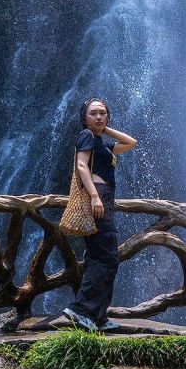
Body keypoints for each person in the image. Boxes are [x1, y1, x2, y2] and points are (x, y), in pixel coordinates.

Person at [63, 97, 137, 334]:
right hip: (99, 197)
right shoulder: (86, 136)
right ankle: (81, 309)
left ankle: (98, 316)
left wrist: (105, 130)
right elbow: (82, 165)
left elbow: (131, 142)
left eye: (103, 113)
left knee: (100, 256)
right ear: (84, 118)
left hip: (105, 198)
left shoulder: (102, 143)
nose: (99, 117)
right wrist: (94, 196)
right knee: (106, 257)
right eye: (93, 113)